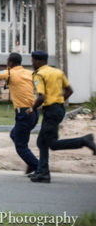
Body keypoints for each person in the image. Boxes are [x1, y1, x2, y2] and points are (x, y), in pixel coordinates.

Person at [29, 50, 96, 183]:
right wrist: (58, 101)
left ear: (37, 61)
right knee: (41, 142)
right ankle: (43, 172)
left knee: (52, 144)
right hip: (59, 109)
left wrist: (32, 108)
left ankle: (84, 140)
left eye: (32, 60)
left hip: (51, 111)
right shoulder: (57, 72)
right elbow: (69, 90)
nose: (32, 63)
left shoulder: (39, 75)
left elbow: (41, 97)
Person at [0, 52, 39, 175]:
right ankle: (31, 163)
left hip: (24, 113)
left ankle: (38, 166)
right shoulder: (28, 72)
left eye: (7, 61)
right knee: (14, 135)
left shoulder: (10, 73)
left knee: (21, 146)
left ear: (10, 62)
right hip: (34, 112)